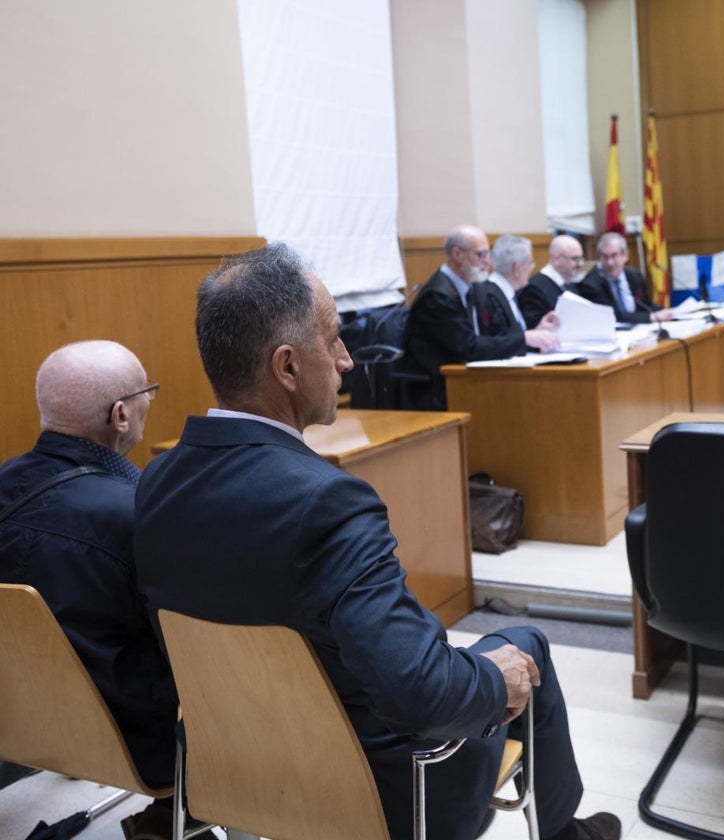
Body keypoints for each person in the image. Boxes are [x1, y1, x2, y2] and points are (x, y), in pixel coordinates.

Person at [133, 244, 619, 840]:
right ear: (286, 367)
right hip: (379, 790)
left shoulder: (156, 482)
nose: (347, 361)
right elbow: (419, 693)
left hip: (229, 773)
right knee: (526, 646)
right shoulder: (328, 503)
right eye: (334, 339)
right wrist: (496, 679)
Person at [0, 341, 191, 840]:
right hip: (136, 742)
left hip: (14, 723)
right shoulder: (142, 514)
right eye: (148, 390)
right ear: (120, 415)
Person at [401, 225, 559, 410]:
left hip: (463, 380)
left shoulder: (471, 287)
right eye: (481, 255)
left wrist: (531, 336)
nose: (488, 262)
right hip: (436, 390)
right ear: (457, 254)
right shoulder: (438, 297)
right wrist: (524, 338)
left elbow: (490, 337)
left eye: (488, 254)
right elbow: (468, 347)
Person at [576, 232, 674, 324]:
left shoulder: (634, 276)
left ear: (625, 255)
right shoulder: (590, 284)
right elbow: (613, 316)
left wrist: (668, 312)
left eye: (614, 256)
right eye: (605, 257)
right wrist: (652, 317)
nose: (610, 263)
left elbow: (646, 306)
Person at [474, 234, 559, 340]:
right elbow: (499, 342)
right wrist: (527, 338)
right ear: (517, 269)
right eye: (530, 263)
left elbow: (513, 338)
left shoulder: (506, 292)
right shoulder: (490, 297)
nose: (531, 269)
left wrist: (538, 331)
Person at [518, 234, 584, 328]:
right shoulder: (534, 289)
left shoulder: (569, 284)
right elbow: (535, 329)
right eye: (574, 259)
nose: (580, 264)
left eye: (581, 258)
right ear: (556, 259)